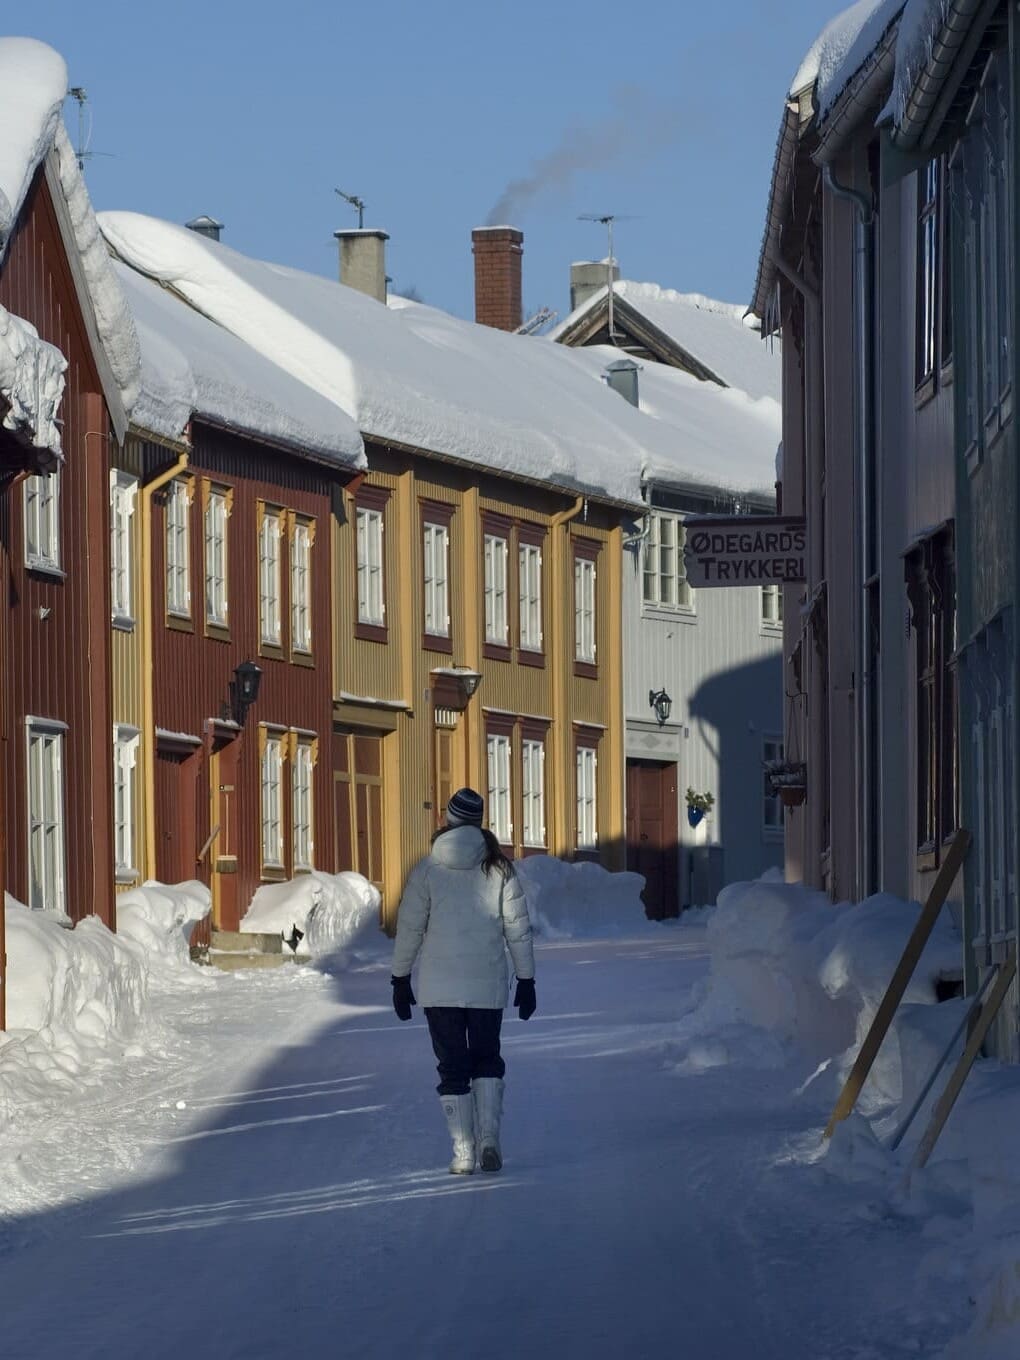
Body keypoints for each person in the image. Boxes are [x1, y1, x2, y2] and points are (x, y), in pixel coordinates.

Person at [390, 787, 537, 1175]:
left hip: (440, 989)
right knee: (487, 1058)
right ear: (479, 822)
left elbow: (409, 928)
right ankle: (490, 1138)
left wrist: (400, 978)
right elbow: (518, 929)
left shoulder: (427, 869)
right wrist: (526, 979)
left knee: (452, 1066)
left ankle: (464, 1151)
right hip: (487, 987)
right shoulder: (499, 868)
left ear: (448, 819)